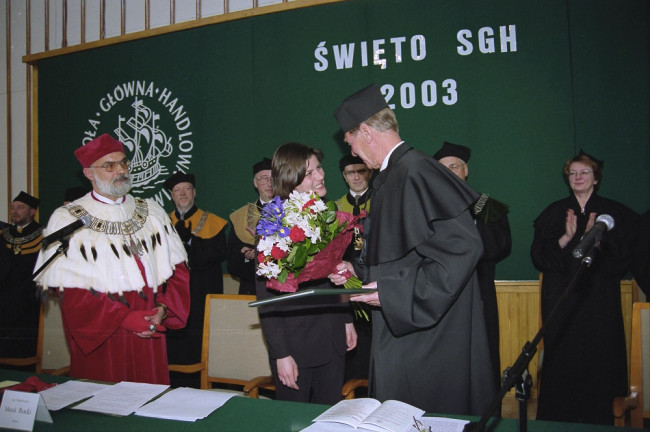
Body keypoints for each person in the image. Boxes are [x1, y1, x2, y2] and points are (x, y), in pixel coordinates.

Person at [330, 84, 496, 415]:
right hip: (407, 333)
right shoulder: (396, 173)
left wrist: (392, 293)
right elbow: (407, 254)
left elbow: (463, 248)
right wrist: (359, 272)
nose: (353, 155)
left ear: (366, 131)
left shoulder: (416, 170)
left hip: (427, 344)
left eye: (352, 144)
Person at [33, 133, 190, 385]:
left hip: (150, 329)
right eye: (110, 165)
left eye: (123, 162)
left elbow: (177, 269)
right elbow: (69, 289)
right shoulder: (67, 220)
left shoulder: (152, 212)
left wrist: (163, 309)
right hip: (104, 335)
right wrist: (123, 318)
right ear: (89, 173)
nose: (120, 170)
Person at [531, 150, 640, 425]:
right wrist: (566, 239)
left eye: (584, 172)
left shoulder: (613, 214)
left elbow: (624, 257)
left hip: (598, 303)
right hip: (562, 302)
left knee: (600, 361)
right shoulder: (554, 213)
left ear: (596, 178)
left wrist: (599, 244)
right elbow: (539, 256)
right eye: (573, 173)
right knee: (562, 364)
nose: (578, 178)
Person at [256, 142, 357, 405]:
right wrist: (281, 354)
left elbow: (336, 268)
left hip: (333, 337)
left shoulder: (330, 212)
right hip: (295, 346)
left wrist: (346, 319)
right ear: (290, 180)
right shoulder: (273, 222)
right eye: (310, 173)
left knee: (331, 418)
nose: (320, 176)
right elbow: (266, 296)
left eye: (319, 168)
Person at [433, 141, 512, 390]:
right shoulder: (430, 205)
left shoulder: (484, 203)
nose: (450, 172)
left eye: (454, 166)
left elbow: (502, 245)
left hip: (478, 290)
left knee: (481, 355)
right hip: (440, 295)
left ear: (465, 170)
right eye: (443, 168)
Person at [163, 171, 228, 388]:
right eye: (177, 190)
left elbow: (219, 253)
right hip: (173, 295)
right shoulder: (162, 223)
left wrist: (191, 242)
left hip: (202, 291)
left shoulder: (212, 221)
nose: (182, 194)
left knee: (200, 339)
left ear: (194, 193)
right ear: (171, 196)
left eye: (186, 189)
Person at [334, 154, 373, 388]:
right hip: (343, 287)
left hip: (373, 282)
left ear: (369, 173)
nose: (356, 177)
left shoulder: (380, 202)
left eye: (361, 171)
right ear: (344, 176)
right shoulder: (335, 207)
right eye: (351, 172)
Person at [0, 191, 43, 360]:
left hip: (29, 299)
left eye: (20, 207)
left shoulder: (42, 234)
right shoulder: (4, 234)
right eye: (12, 208)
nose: (14, 211)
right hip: (4, 297)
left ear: (32, 211)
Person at [228, 157, 273, 295]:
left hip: (286, 290)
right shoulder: (241, 216)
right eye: (264, 178)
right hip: (252, 289)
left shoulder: (292, 210)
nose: (269, 183)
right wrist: (248, 258)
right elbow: (232, 261)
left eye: (274, 178)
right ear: (255, 182)